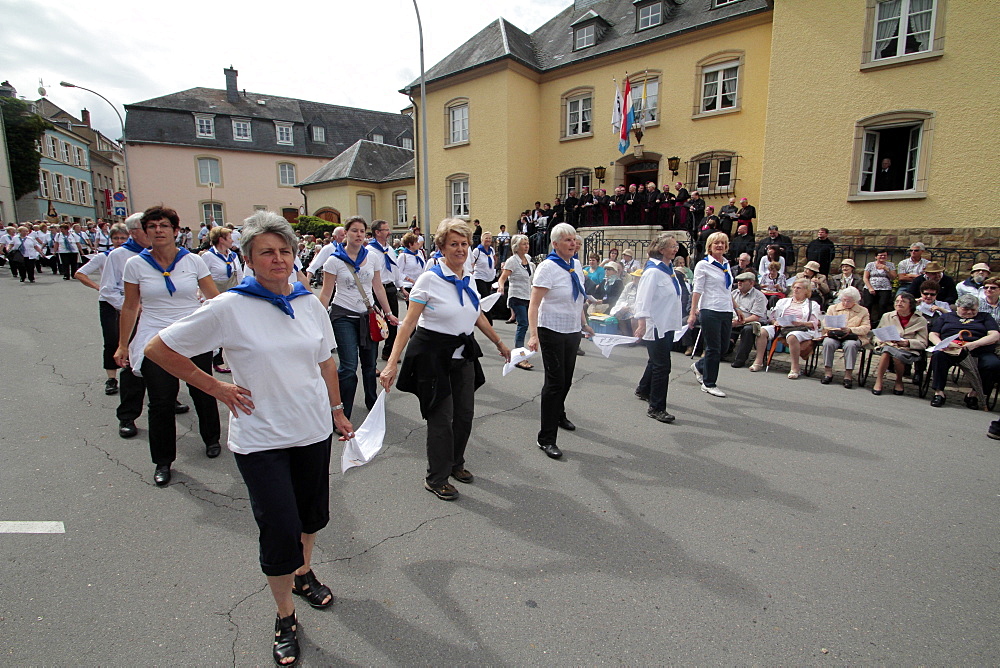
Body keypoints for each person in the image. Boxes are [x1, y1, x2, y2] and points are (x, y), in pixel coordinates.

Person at [144, 211, 354, 667]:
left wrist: (337, 411)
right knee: (278, 528)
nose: (278, 259)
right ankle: (284, 615)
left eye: (284, 251)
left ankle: (303, 572)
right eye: (267, 252)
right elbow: (158, 348)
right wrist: (215, 387)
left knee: (310, 516)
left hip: (312, 429)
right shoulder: (230, 306)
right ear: (248, 259)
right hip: (260, 439)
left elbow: (326, 362)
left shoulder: (309, 303)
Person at [380, 218, 510, 500]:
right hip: (433, 357)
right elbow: (408, 324)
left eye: (464, 244)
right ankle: (436, 477)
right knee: (441, 419)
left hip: (463, 355)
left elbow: (476, 314)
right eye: (454, 244)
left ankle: (455, 463)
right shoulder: (429, 279)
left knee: (464, 415)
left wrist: (500, 343)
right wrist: (391, 363)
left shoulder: (468, 277)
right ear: (441, 247)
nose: (460, 249)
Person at [113, 206, 221, 486]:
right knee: (161, 400)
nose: (157, 230)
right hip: (155, 336)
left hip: (191, 331)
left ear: (175, 231)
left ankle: (212, 438)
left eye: (163, 225)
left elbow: (214, 298)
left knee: (203, 389)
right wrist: (123, 345)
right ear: (145, 232)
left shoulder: (194, 261)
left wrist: (228, 331)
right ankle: (163, 461)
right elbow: (130, 305)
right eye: (152, 226)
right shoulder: (135, 264)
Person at [318, 216, 399, 420]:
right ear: (346, 234)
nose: (359, 234)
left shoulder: (372, 257)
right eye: (354, 230)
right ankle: (341, 412)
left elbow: (378, 287)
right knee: (349, 366)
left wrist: (388, 313)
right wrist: (317, 320)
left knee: (370, 364)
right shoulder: (334, 260)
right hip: (343, 315)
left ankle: (372, 404)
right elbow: (326, 293)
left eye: (362, 231)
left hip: (367, 316)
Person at [527, 222, 594, 459]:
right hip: (551, 329)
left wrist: (584, 322)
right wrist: (533, 335)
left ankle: (559, 413)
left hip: (572, 329)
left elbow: (578, 298)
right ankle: (546, 438)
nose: (573, 243)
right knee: (554, 383)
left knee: (566, 379)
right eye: (567, 240)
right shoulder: (547, 267)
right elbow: (534, 304)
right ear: (555, 244)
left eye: (574, 239)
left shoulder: (574, 264)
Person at [74, 223, 130, 395]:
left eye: (123, 238)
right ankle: (112, 378)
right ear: (110, 240)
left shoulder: (133, 256)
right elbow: (80, 273)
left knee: (134, 340)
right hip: (109, 302)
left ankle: (135, 375)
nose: (119, 241)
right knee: (112, 339)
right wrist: (98, 287)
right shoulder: (103, 257)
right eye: (116, 238)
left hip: (131, 301)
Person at [633, 234, 684, 423]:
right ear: (661, 250)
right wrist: (642, 323)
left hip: (667, 324)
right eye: (671, 246)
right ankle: (656, 407)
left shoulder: (668, 270)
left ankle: (643, 389)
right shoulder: (653, 272)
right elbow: (642, 299)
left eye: (676, 245)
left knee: (656, 361)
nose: (675, 248)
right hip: (656, 325)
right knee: (663, 366)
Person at [689, 231, 743, 396]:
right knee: (713, 347)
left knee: (724, 347)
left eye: (722, 243)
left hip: (725, 310)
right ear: (709, 247)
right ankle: (709, 383)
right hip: (710, 309)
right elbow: (697, 290)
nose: (720, 246)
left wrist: (737, 308)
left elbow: (727, 290)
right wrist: (693, 313)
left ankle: (699, 366)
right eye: (716, 243)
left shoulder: (726, 264)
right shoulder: (703, 265)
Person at [927, 294, 1000, 409]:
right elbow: (933, 334)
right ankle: (939, 392)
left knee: (993, 364)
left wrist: (974, 344)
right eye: (966, 309)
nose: (970, 313)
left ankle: (974, 394)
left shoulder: (985, 317)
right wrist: (941, 344)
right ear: (958, 307)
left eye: (973, 310)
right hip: (951, 349)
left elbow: (995, 335)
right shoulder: (947, 317)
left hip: (978, 350)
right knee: (938, 356)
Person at [748, 279, 820, 378]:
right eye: (794, 287)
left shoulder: (812, 305)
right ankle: (758, 361)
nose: (795, 290)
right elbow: (772, 318)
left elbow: (815, 323)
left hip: (800, 329)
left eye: (798, 288)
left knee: (792, 336)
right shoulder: (783, 301)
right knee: (762, 331)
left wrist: (800, 323)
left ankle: (795, 368)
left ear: (806, 291)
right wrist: (775, 322)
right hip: (782, 326)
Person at [201, 225, 245, 374]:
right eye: (229, 237)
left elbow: (239, 274)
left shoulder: (232, 255)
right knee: (216, 327)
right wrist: (201, 295)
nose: (233, 240)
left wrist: (242, 292)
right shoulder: (208, 256)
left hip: (231, 292)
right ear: (221, 240)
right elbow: (201, 277)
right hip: (215, 293)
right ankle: (216, 359)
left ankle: (235, 360)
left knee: (233, 327)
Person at [870, 292, 928, 395]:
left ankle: (899, 380)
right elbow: (877, 334)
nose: (899, 304)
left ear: (911, 305)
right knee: (887, 351)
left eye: (903, 302)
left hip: (907, 349)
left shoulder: (920, 320)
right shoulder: (887, 316)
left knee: (897, 355)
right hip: (887, 345)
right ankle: (879, 381)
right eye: (897, 301)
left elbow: (923, 343)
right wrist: (880, 340)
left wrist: (907, 342)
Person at [818, 286, 871, 388]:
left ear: (855, 301)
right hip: (835, 334)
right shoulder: (833, 308)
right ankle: (828, 372)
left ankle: (848, 375)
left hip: (853, 336)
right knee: (828, 343)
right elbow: (826, 324)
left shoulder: (863, 311)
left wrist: (851, 330)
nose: (846, 303)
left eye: (849, 301)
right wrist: (837, 329)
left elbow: (866, 327)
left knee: (851, 345)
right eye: (844, 300)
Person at [497, 234, 535, 368]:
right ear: (516, 247)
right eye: (524, 244)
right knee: (523, 324)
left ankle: (520, 353)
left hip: (527, 296)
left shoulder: (528, 259)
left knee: (526, 324)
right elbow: (502, 278)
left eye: (527, 243)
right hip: (516, 296)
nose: (527, 246)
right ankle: (519, 357)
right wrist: (501, 286)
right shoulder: (512, 261)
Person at [368, 219, 403, 361]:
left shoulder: (389, 249)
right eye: (386, 230)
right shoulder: (369, 251)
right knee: (376, 323)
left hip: (389, 288)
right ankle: (372, 357)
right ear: (377, 232)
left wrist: (400, 286)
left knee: (393, 321)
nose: (389, 233)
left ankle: (388, 351)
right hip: (375, 289)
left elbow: (395, 268)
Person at [729, 271, 767, 368]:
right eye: (738, 281)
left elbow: (756, 316)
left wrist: (740, 322)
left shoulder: (759, 296)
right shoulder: (734, 293)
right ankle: (723, 351)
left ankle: (740, 359)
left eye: (742, 281)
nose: (739, 283)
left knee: (748, 330)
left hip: (750, 321)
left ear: (751, 283)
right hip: (734, 319)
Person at [863, 249, 897, 326]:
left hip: (885, 288)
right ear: (876, 257)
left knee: (883, 305)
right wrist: (870, 288)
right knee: (868, 304)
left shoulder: (890, 265)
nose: (882, 257)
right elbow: (865, 278)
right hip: (871, 287)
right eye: (880, 255)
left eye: (884, 255)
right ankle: (867, 322)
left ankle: (880, 323)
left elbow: (893, 277)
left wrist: (886, 269)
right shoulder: (870, 265)